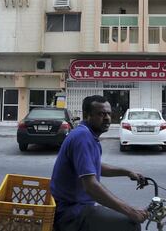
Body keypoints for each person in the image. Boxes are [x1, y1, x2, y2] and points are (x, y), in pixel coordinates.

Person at [50, 95, 148, 231]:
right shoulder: (82, 137)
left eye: (108, 113)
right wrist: (131, 211)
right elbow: (91, 186)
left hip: (76, 207)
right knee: (130, 223)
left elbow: (94, 166)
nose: (107, 118)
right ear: (87, 115)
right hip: (70, 212)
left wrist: (127, 172)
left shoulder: (86, 135)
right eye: (101, 114)